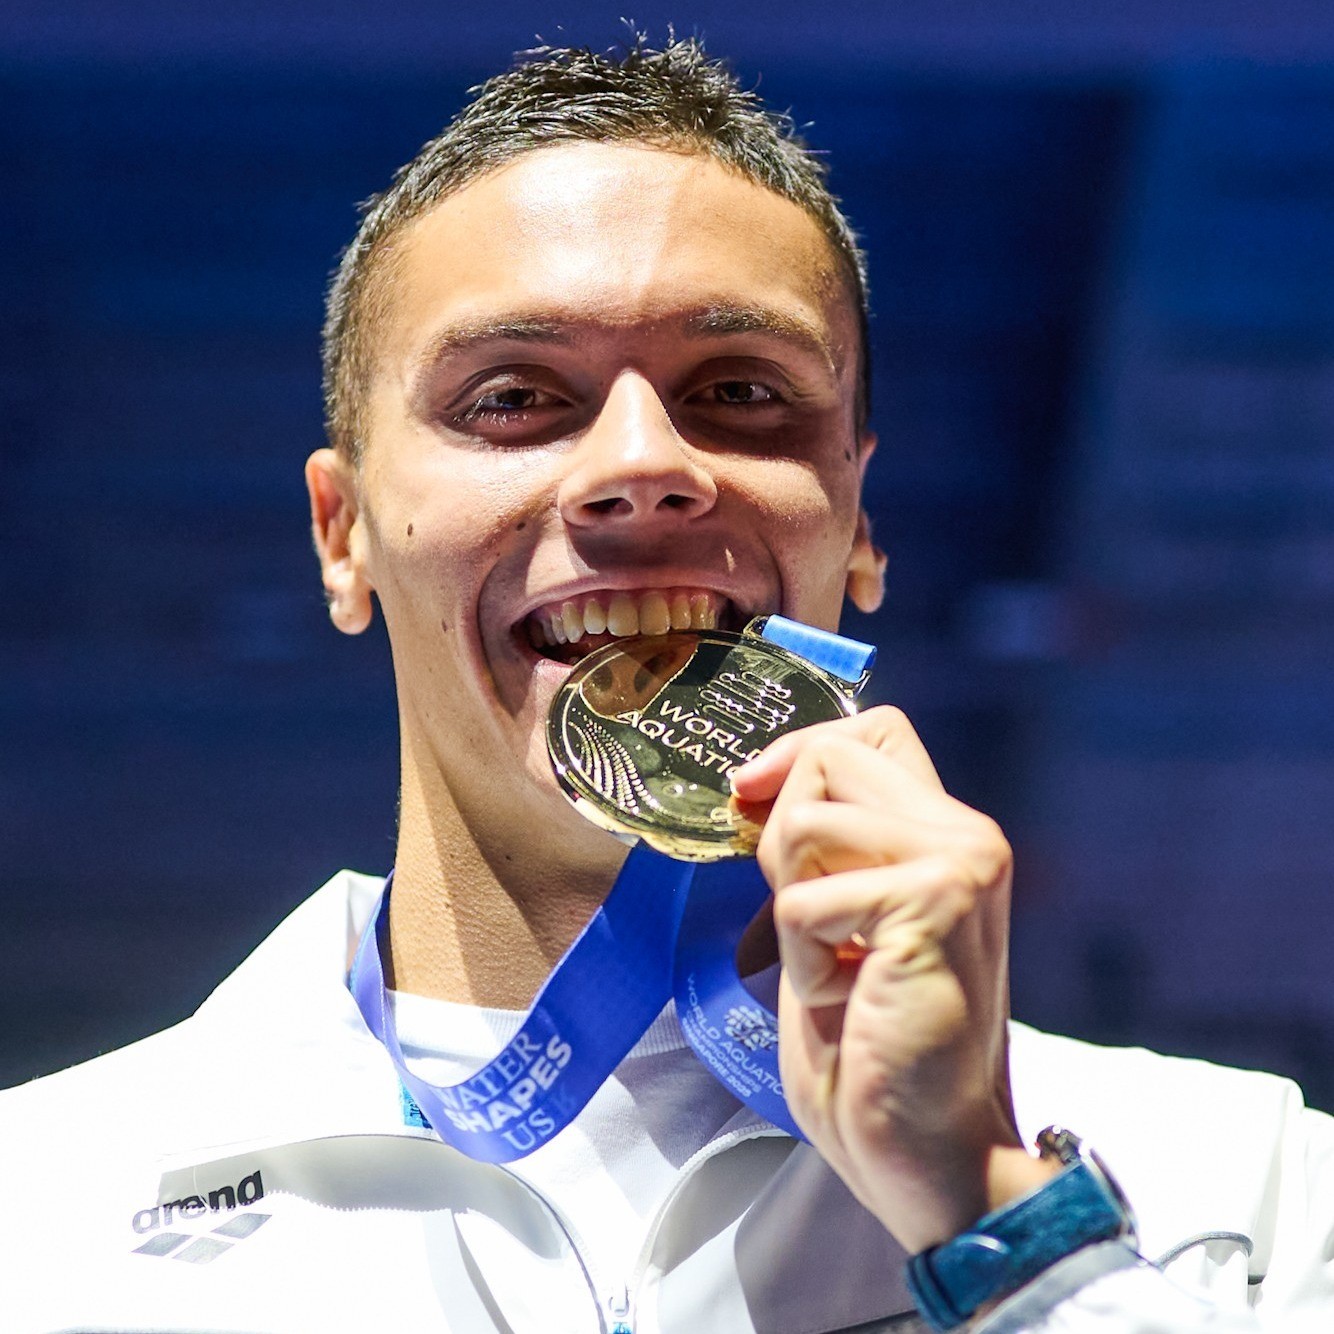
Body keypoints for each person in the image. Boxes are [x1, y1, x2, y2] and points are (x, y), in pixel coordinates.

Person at [1, 37, 1332, 1334]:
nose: (641, 465)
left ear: (858, 523)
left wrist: (991, 1213)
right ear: (341, 534)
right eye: (513, 396)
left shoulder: (1244, 1185)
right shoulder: (41, 1212)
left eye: (740, 390)